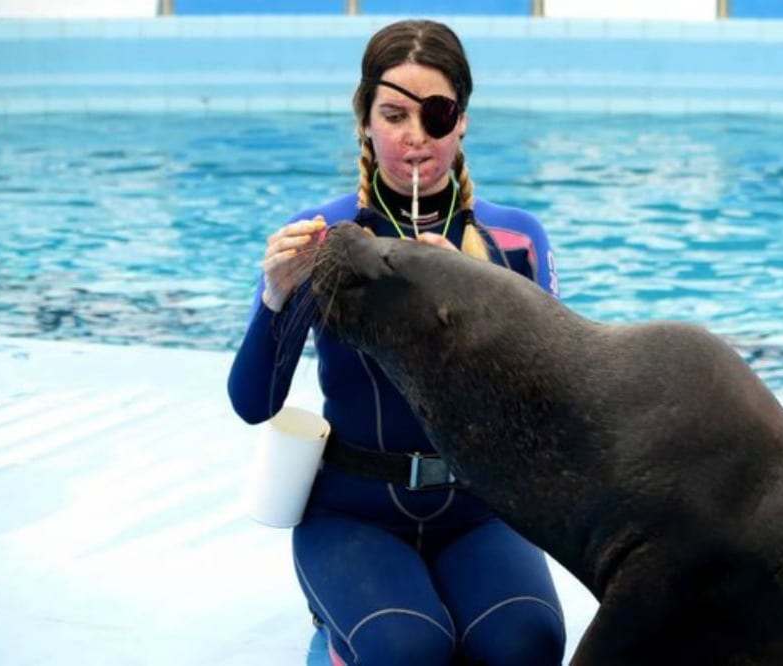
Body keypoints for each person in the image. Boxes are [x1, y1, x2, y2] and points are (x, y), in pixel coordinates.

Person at [228, 19, 565, 666]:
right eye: (393, 115)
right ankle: (335, 628)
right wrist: (274, 298)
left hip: (477, 507)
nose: (414, 137)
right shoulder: (322, 236)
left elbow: (553, 404)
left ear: (462, 120)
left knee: (528, 643)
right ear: (365, 121)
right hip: (354, 513)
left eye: (435, 115)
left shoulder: (516, 241)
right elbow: (253, 403)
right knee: (408, 650)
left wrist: (481, 298)